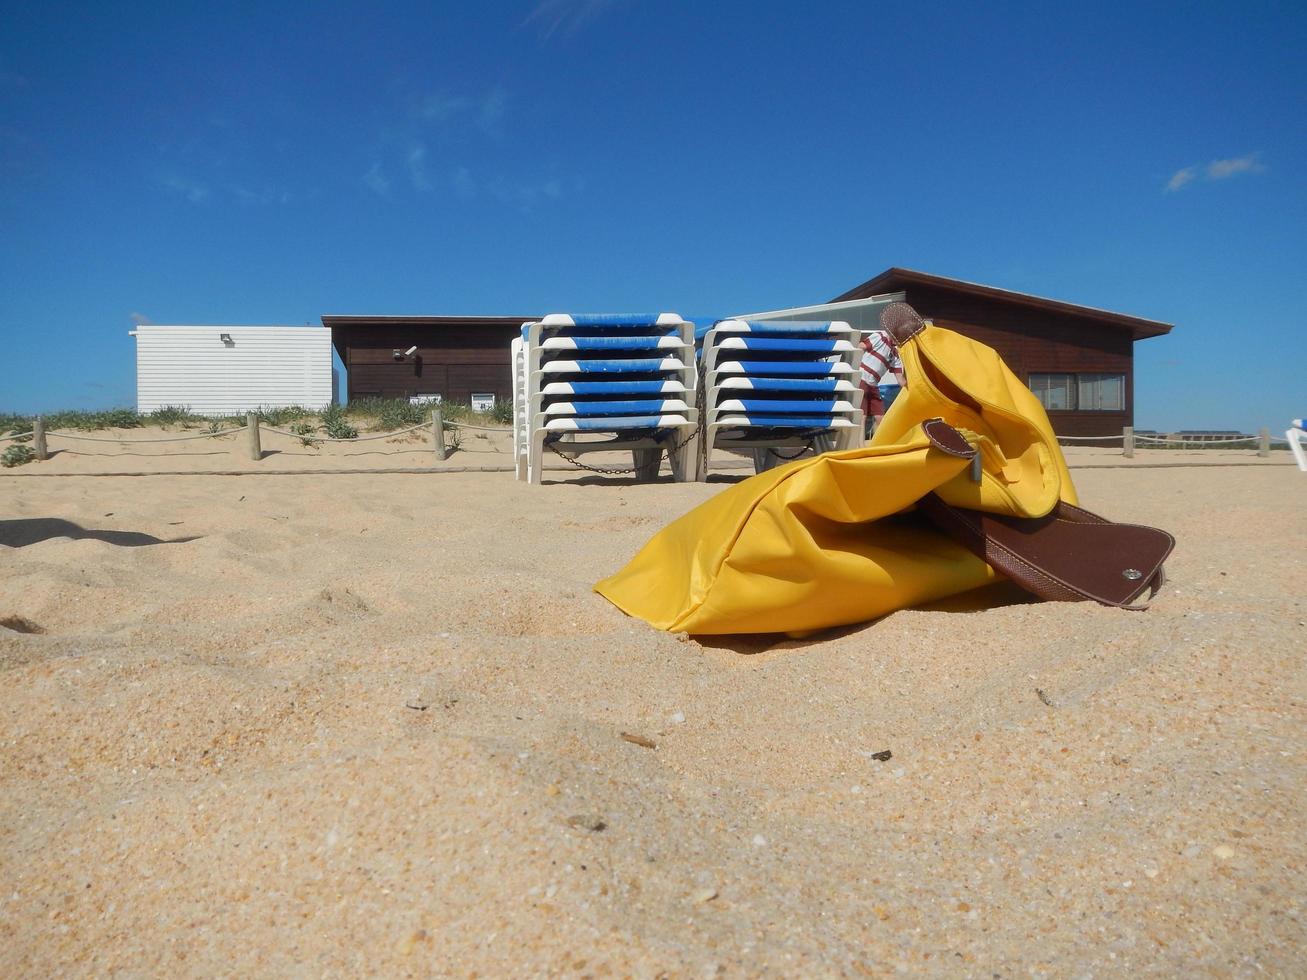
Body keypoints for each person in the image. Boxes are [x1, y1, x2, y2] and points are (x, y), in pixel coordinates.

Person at [858, 329, 905, 435]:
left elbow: (900, 379)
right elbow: (861, 346)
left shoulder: (894, 354)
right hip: (862, 377)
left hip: (873, 384)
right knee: (862, 415)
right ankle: (859, 446)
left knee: (880, 416)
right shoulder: (879, 336)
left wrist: (912, 388)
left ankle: (876, 443)